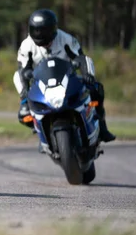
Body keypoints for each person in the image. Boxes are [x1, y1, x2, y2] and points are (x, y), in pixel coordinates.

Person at [13, 9, 116, 143]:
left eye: (44, 30)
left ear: (53, 29)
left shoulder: (65, 39)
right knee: (21, 98)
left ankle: (102, 127)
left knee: (97, 89)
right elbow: (22, 69)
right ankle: (27, 107)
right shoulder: (26, 45)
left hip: (67, 79)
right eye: (36, 30)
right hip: (41, 84)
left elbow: (81, 58)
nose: (40, 34)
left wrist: (88, 75)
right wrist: (27, 87)